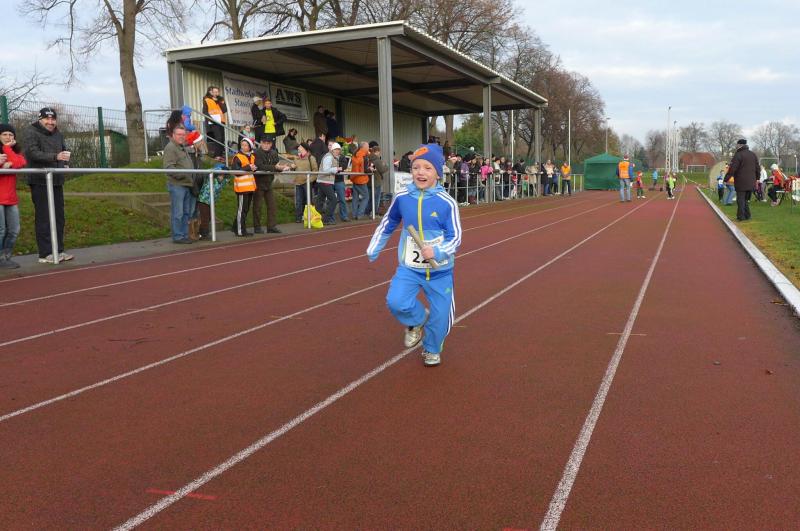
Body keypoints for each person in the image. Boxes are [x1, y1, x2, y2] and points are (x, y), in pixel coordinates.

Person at [366, 143, 462, 367]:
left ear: (438, 173)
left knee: (441, 318)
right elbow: (388, 222)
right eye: (416, 167)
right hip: (410, 268)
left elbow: (455, 237)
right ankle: (418, 320)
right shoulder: (402, 197)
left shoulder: (447, 203)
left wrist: (437, 251)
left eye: (428, 168)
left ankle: (431, 349)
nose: (421, 172)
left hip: (439, 271)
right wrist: (375, 247)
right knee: (396, 301)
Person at [22, 107, 74, 262]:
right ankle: (45, 253)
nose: (50, 122)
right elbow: (32, 153)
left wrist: (65, 163)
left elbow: (63, 151)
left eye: (53, 119)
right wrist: (55, 157)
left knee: (59, 217)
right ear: (40, 119)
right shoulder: (31, 131)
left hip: (57, 180)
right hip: (40, 180)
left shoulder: (58, 134)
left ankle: (59, 250)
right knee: (44, 217)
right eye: (47, 119)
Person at [163, 124, 196, 244]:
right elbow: (168, 167)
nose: (182, 136)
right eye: (179, 134)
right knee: (178, 212)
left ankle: (184, 235)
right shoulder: (171, 148)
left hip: (186, 184)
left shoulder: (182, 147)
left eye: (183, 134)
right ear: (173, 135)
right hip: (177, 184)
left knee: (186, 212)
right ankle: (178, 236)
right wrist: (184, 174)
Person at [0, 124, 26, 268]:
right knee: (1, 230)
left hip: (10, 198)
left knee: (14, 230)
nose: (8, 137)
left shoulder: (11, 151)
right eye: (4, 134)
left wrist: (7, 148)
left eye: (10, 134)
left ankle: (5, 257)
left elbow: (20, 162)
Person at [254, 136, 291, 233]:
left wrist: (282, 168)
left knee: (272, 206)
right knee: (257, 206)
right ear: (261, 143)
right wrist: (275, 167)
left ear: (271, 144)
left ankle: (271, 227)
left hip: (269, 182)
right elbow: (260, 166)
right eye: (264, 143)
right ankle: (257, 227)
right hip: (258, 183)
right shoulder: (257, 153)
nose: (266, 145)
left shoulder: (274, 153)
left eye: (268, 143)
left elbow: (276, 166)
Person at [725, 139, 759, 221]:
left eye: (737, 145)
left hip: (741, 181)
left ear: (739, 145)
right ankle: (748, 215)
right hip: (751, 182)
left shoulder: (738, 155)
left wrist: (726, 179)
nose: (736, 146)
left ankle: (741, 217)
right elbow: (757, 168)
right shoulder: (753, 154)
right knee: (745, 200)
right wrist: (757, 178)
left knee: (740, 200)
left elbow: (733, 168)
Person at [231, 137, 258, 236]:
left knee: (245, 209)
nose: (243, 147)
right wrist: (248, 167)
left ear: (250, 147)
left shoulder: (252, 156)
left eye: (246, 145)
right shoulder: (237, 157)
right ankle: (240, 231)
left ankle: (237, 228)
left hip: (250, 187)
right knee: (241, 210)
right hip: (242, 188)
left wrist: (254, 168)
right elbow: (235, 171)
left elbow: (253, 168)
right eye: (242, 145)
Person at [196, 163, 229, 240]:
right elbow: (208, 171)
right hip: (203, 200)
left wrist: (224, 172)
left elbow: (228, 175)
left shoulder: (223, 181)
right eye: (220, 174)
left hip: (211, 201)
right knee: (205, 217)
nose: (222, 176)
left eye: (223, 174)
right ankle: (204, 234)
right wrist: (218, 170)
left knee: (209, 217)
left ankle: (202, 232)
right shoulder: (210, 176)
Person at [316, 142, 342, 225]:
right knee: (333, 200)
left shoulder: (332, 157)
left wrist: (336, 169)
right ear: (332, 150)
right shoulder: (329, 157)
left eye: (339, 150)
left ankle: (317, 218)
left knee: (320, 201)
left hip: (324, 180)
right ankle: (326, 219)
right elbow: (326, 170)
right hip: (325, 181)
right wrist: (336, 169)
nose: (338, 151)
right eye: (336, 149)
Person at [291, 143, 318, 223]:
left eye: (300, 147)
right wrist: (292, 167)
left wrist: (310, 180)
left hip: (307, 182)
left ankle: (309, 217)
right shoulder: (296, 158)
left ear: (305, 149)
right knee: (298, 201)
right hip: (298, 182)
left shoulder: (311, 158)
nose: (298, 148)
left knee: (308, 200)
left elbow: (315, 170)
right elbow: (293, 169)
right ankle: (298, 217)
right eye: (299, 148)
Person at [202, 86, 227, 160]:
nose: (216, 93)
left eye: (217, 92)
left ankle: (220, 154)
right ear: (212, 92)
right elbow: (204, 112)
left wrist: (219, 101)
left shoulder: (221, 99)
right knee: (218, 137)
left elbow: (224, 110)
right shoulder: (207, 100)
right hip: (213, 121)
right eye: (214, 92)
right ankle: (217, 155)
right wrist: (211, 119)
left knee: (222, 138)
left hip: (221, 121)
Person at [368, 141, 390, 214]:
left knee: (370, 198)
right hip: (377, 181)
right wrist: (386, 166)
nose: (379, 153)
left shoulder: (368, 158)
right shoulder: (377, 160)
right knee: (376, 198)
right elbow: (382, 169)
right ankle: (374, 212)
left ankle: (367, 212)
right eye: (379, 152)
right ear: (377, 152)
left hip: (369, 181)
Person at [350, 141, 371, 220]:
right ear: (364, 147)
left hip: (354, 178)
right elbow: (365, 170)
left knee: (355, 198)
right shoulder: (364, 157)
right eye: (367, 146)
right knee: (366, 197)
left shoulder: (355, 154)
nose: (368, 148)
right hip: (361, 179)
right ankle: (360, 214)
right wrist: (371, 169)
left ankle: (354, 214)